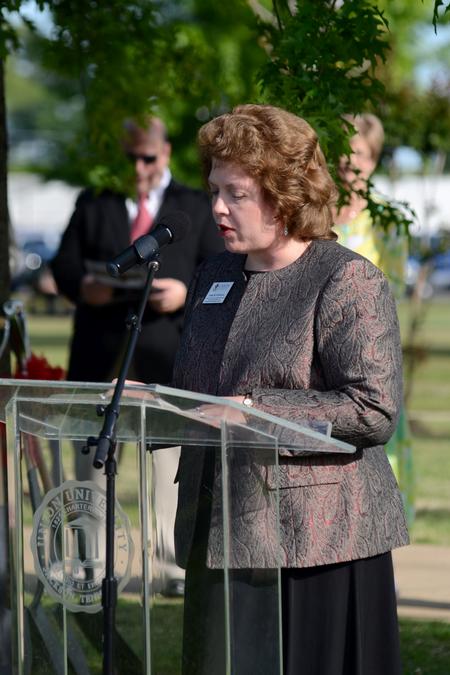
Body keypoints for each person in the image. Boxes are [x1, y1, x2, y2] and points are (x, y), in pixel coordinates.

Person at [171, 104, 409, 674]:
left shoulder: (345, 279)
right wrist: (150, 398)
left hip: (318, 545)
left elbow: (373, 410)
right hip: (220, 529)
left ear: (284, 194)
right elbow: (205, 390)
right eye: (214, 191)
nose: (218, 208)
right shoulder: (216, 276)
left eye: (236, 194)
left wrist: (256, 412)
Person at [51, 116, 223, 595]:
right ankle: (92, 567)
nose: (139, 167)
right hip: (101, 350)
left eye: (147, 157)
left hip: (167, 351)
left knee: (169, 464)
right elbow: (64, 264)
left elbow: (219, 268)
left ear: (165, 153)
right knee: (93, 459)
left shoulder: (191, 205)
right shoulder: (95, 201)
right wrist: (84, 287)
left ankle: (171, 569)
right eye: (130, 158)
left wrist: (184, 292)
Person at [335, 113, 414, 527]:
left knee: (383, 450)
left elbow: (394, 289)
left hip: (371, 347)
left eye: (360, 156)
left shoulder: (388, 220)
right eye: (345, 154)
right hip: (326, 350)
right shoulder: (321, 212)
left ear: (375, 158)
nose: (351, 164)